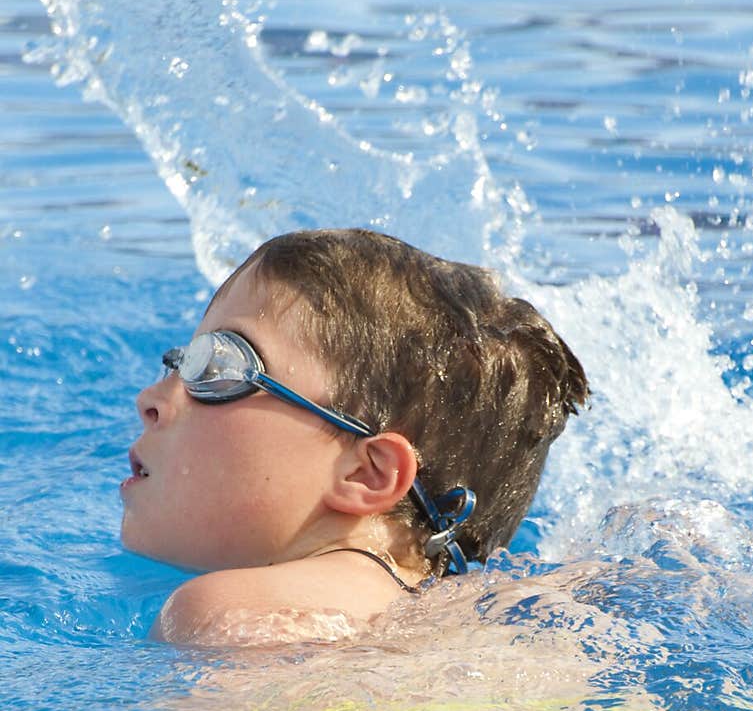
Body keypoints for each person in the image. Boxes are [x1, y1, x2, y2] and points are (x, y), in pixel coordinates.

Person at [122, 228, 589, 645]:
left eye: (221, 368)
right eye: (182, 363)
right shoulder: (490, 619)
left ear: (368, 472)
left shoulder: (229, 614)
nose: (151, 399)